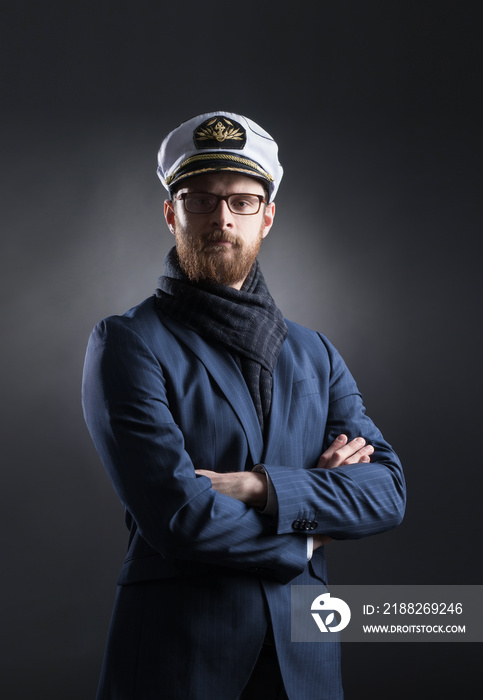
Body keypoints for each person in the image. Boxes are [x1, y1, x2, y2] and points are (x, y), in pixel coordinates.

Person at [82, 111, 406, 700]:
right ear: (171, 213)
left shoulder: (315, 352)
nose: (221, 218)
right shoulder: (128, 342)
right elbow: (180, 519)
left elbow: (387, 492)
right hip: (178, 661)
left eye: (242, 201)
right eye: (200, 200)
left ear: (268, 217)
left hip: (304, 664)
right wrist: (310, 534)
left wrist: (261, 489)